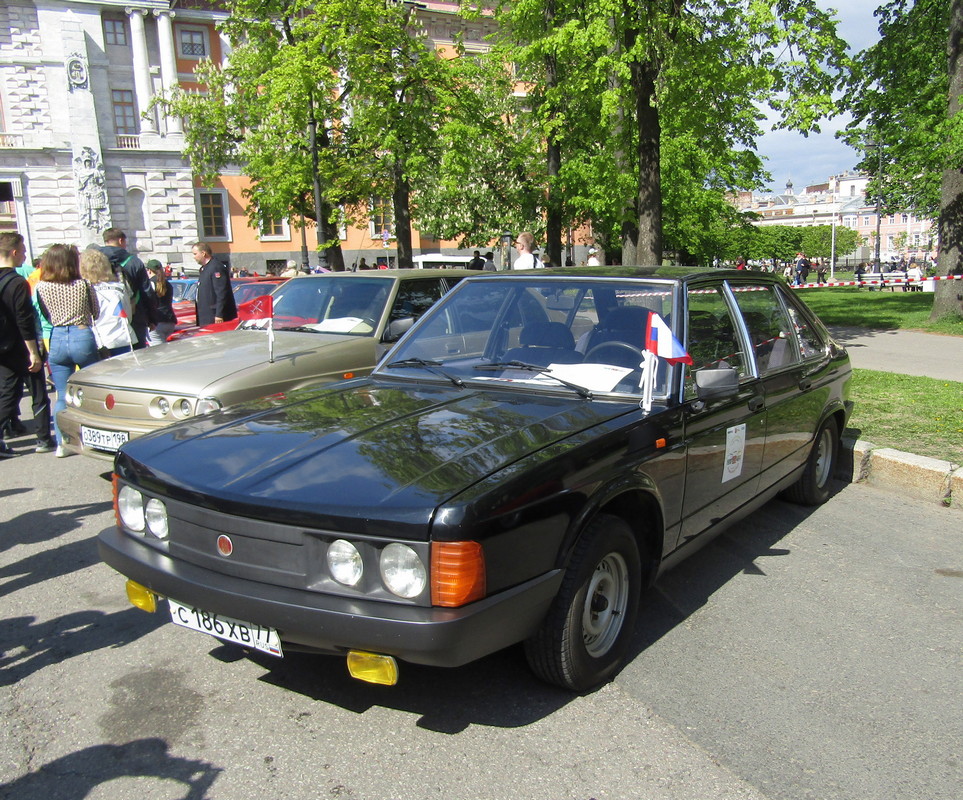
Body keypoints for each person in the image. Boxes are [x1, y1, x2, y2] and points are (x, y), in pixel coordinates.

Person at [35, 244, 99, 457]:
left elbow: (45, 314)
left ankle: (62, 442)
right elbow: (96, 311)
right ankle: (95, 436)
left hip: (58, 337)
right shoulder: (83, 284)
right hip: (82, 334)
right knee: (91, 390)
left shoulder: (41, 287)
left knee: (61, 394)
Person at [0, 232, 54, 456]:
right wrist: (34, 351)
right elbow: (24, 321)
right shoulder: (17, 283)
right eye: (22, 251)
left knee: (7, 392)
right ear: (14, 253)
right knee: (36, 391)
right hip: (19, 346)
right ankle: (43, 437)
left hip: (3, 345)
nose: (24, 255)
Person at [99, 227, 157, 349]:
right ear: (121, 241)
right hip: (134, 316)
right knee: (137, 356)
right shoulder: (134, 261)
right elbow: (146, 291)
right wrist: (152, 318)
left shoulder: (95, 261)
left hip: (104, 319)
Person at [80, 248, 137, 357]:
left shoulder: (85, 290)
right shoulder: (119, 287)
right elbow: (128, 313)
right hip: (123, 338)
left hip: (99, 340)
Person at [191, 242, 236, 326]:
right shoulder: (204, 269)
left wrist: (219, 314)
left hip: (214, 315)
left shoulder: (216, 267)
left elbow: (221, 292)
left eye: (195, 254)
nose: (194, 257)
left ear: (203, 253)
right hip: (206, 315)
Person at [147, 260, 178, 344]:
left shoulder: (150, 284)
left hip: (157, 322)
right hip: (170, 320)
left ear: (149, 270)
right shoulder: (167, 283)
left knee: (160, 352)